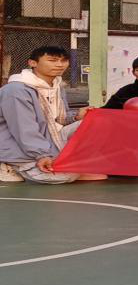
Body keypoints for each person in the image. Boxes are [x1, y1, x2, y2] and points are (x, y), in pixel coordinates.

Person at [0, 46, 85, 184]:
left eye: (64, 60)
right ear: (32, 63)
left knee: (96, 122)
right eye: (52, 60)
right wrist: (42, 155)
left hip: (50, 137)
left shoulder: (56, 85)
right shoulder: (16, 91)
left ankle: (67, 159)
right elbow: (24, 130)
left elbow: (58, 118)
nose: (59, 65)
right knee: (68, 176)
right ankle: (8, 164)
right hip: (17, 146)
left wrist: (76, 116)